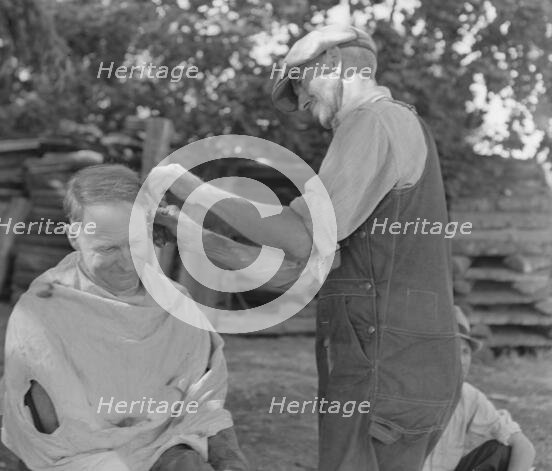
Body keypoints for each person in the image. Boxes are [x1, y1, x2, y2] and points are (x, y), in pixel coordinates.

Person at [150, 22, 462, 471]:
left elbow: (297, 234)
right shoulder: (381, 133)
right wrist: (181, 226)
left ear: (333, 65)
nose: (302, 105)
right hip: (402, 370)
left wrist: (185, 184)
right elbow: (290, 268)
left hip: (384, 373)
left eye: (301, 85)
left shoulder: (374, 122)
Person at [0, 164, 249, 471]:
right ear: (74, 237)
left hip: (165, 447)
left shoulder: (177, 305)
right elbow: (59, 427)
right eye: (108, 249)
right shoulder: (41, 311)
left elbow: (205, 402)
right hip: (80, 458)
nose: (126, 264)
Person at [422, 306, 536, 471]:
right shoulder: (404, 390)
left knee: (503, 452)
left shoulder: (468, 396)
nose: (461, 360)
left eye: (465, 351)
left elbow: (524, 447)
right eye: (453, 349)